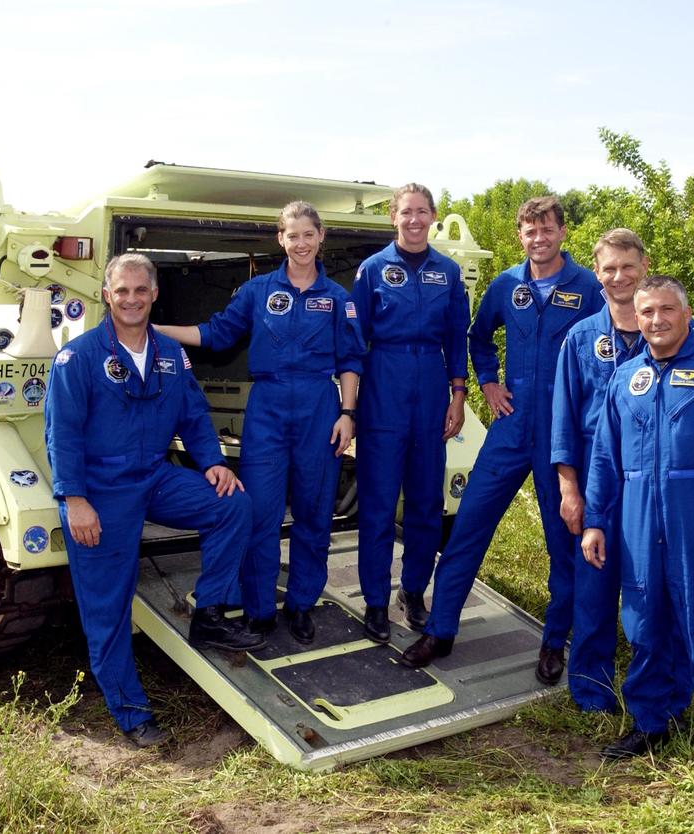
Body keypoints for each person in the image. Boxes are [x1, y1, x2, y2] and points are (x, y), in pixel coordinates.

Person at [45, 252, 262, 749]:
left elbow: (192, 413)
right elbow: (63, 437)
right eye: (121, 291)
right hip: (100, 491)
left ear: (154, 294)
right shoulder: (76, 360)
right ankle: (131, 712)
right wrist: (74, 500)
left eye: (140, 290)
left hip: (155, 477)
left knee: (232, 503)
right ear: (106, 295)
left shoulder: (169, 353)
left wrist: (211, 461)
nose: (131, 299)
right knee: (108, 607)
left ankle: (209, 615)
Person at [402, 195, 602, 684]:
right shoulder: (507, 284)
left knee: (563, 541)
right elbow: (477, 335)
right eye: (530, 231)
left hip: (563, 434)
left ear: (562, 233)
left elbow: (632, 319)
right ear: (520, 236)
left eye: (547, 229)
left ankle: (554, 642)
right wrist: (487, 380)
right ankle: (441, 629)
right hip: (511, 427)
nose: (539, 238)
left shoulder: (589, 287)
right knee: (469, 524)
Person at [156, 201, 364, 644]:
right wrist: (155, 329)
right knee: (260, 514)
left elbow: (350, 360)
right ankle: (258, 609)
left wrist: (347, 414)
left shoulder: (338, 299)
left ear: (321, 237)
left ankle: (302, 604)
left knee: (314, 513)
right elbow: (215, 334)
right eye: (293, 235)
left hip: (318, 409)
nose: (301, 243)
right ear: (281, 239)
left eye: (309, 234)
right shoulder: (256, 291)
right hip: (267, 408)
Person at [582, 274, 694, 782]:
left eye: (665, 310)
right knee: (643, 622)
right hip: (637, 518)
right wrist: (595, 521)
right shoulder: (625, 378)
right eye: (646, 313)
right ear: (635, 319)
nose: (656, 321)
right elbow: (603, 455)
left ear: (686, 314)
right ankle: (651, 722)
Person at [552, 229, 694, 713]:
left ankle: (672, 687)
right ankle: (592, 691)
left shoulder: (677, 337)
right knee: (594, 589)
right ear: (596, 273)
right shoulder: (579, 339)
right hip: (599, 485)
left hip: (656, 484)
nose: (619, 277)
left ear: (644, 267)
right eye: (609, 268)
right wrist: (569, 490)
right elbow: (562, 422)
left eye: (628, 267)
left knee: (656, 590)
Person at [350, 183, 469, 643]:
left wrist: (457, 395)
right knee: (378, 503)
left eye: (422, 212)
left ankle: (414, 590)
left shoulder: (449, 272)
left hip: (432, 389)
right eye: (406, 212)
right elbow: (353, 340)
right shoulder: (372, 269)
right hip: (384, 386)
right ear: (393, 218)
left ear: (434, 215)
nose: (414, 220)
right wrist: (351, 402)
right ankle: (375, 600)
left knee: (426, 502)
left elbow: (457, 336)